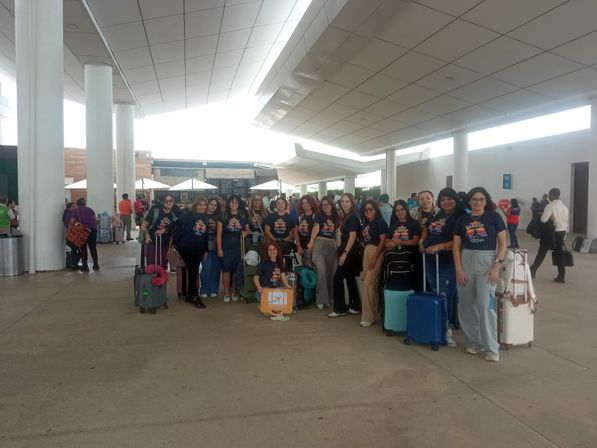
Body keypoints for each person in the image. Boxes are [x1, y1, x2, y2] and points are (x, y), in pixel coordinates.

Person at [453, 187, 506, 362]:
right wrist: (459, 269)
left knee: (485, 306)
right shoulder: (462, 220)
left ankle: (491, 347)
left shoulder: (494, 218)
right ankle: (473, 343)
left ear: (486, 201)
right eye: (474, 199)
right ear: (469, 201)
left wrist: (496, 266)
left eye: (481, 199)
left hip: (487, 263)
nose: (478, 202)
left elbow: (503, 243)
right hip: (466, 261)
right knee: (467, 305)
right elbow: (456, 246)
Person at [420, 188, 461, 346]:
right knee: (436, 294)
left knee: (445, 296)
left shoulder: (459, 217)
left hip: (447, 262)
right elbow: (427, 230)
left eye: (449, 199)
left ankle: (446, 329)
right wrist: (422, 242)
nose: (446, 202)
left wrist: (440, 246)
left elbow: (459, 241)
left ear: (455, 199)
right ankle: (437, 324)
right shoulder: (436, 215)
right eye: (443, 199)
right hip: (430, 261)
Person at [329, 193, 362, 318]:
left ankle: (340, 308)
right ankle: (355, 306)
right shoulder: (346, 216)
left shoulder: (352, 217)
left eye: (347, 201)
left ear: (352, 203)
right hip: (347, 252)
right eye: (342, 201)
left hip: (350, 253)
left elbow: (353, 237)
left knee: (338, 277)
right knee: (349, 278)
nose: (344, 203)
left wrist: (344, 254)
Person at [171, 197, 209, 308]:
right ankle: (195, 296)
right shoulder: (189, 215)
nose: (202, 207)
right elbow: (177, 223)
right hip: (187, 248)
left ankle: (189, 295)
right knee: (193, 271)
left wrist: (206, 249)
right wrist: (176, 242)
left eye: (204, 205)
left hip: (199, 249)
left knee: (193, 271)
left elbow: (205, 235)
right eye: (200, 204)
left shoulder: (205, 218)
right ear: (195, 205)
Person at [530, 188, 569, 283]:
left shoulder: (550, 206)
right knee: (560, 254)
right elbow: (565, 223)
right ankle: (561, 276)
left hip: (551, 233)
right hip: (562, 232)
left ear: (552, 195)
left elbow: (543, 219)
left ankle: (533, 271)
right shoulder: (564, 207)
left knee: (542, 252)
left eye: (549, 194)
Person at [359, 199, 387, 327]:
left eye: (371, 209)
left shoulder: (380, 222)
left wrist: (375, 257)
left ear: (376, 210)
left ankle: (368, 316)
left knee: (369, 284)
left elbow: (383, 241)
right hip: (367, 252)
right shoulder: (365, 223)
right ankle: (374, 314)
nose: (369, 212)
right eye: (366, 210)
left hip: (376, 252)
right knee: (370, 284)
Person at [217, 194, 249, 302]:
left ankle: (234, 292)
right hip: (226, 247)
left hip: (239, 247)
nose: (234, 204)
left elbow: (247, 230)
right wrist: (220, 249)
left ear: (239, 204)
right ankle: (226, 293)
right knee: (226, 271)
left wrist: (245, 232)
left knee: (236, 271)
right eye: (232, 202)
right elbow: (219, 234)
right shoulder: (223, 215)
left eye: (236, 202)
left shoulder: (243, 215)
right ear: (228, 203)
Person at [310, 195, 339, 310]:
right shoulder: (318, 215)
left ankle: (329, 297)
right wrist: (311, 243)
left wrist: (338, 244)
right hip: (320, 244)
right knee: (322, 271)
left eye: (327, 204)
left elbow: (337, 230)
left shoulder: (337, 215)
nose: (325, 207)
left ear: (331, 204)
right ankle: (321, 299)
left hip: (332, 245)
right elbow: (316, 228)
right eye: (323, 205)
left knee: (332, 272)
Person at [385, 199, 422, 290]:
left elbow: (415, 241)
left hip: (410, 259)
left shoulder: (414, 224)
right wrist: (393, 243)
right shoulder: (393, 225)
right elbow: (386, 243)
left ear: (406, 210)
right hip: (394, 259)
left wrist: (400, 242)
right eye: (397, 210)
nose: (400, 212)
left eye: (402, 209)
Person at [254, 241, 292, 321]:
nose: (272, 252)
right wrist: (259, 287)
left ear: (277, 250)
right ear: (267, 252)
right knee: (270, 297)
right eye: (270, 250)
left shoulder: (280, 263)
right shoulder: (263, 263)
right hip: (266, 289)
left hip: (277, 289)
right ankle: (277, 314)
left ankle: (270, 311)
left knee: (287, 292)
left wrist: (286, 285)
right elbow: (256, 277)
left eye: (274, 249)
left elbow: (283, 275)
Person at [141, 194, 179, 269]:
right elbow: (144, 226)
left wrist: (170, 249)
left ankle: (161, 281)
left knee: (162, 267)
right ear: (163, 202)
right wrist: (147, 236)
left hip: (165, 245)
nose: (169, 203)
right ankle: (151, 280)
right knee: (152, 267)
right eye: (166, 201)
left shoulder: (173, 215)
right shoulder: (155, 211)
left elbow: (172, 234)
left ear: (173, 202)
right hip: (152, 243)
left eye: (171, 201)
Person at [264, 197, 297, 270]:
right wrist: (275, 239)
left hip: (285, 243)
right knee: (273, 261)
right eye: (278, 203)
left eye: (282, 203)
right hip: (273, 242)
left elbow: (294, 231)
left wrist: (286, 239)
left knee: (286, 260)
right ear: (275, 205)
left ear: (285, 205)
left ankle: (285, 273)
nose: (280, 205)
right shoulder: (271, 216)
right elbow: (267, 230)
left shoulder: (289, 217)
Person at [200, 198, 222, 299]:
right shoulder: (201, 215)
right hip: (205, 242)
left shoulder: (218, 217)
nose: (212, 206)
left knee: (216, 268)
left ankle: (214, 289)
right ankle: (204, 289)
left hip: (216, 242)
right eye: (211, 204)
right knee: (206, 268)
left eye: (215, 205)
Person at [73, 197, 100, 272]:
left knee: (83, 249)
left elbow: (73, 222)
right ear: (85, 204)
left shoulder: (76, 211)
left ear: (77, 204)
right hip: (92, 230)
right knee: (93, 248)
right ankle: (96, 265)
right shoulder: (90, 210)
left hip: (82, 231)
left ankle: (85, 267)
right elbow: (94, 219)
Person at [295, 195, 319, 265]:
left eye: (307, 202)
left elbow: (316, 230)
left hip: (313, 247)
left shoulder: (316, 216)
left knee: (313, 268)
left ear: (311, 203)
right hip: (302, 247)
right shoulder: (300, 216)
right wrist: (298, 246)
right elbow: (296, 232)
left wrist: (311, 246)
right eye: (303, 203)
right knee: (304, 267)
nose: (305, 205)